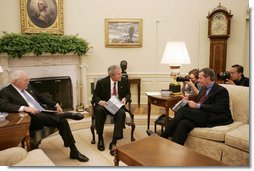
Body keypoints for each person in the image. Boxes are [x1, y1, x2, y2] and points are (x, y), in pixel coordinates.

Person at [0, 70, 89, 162]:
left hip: (44, 113)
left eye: (28, 79)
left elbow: (41, 97)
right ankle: (66, 115)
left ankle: (74, 151)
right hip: (30, 119)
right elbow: (2, 105)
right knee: (43, 116)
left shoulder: (28, 87)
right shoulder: (6, 92)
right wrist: (24, 108)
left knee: (62, 121)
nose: (28, 82)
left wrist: (55, 104)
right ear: (15, 82)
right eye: (25, 80)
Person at [147, 68, 233, 145]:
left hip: (216, 116)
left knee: (184, 111)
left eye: (200, 78)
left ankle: (163, 137)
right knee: (184, 123)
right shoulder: (203, 89)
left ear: (208, 78)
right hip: (203, 114)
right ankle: (174, 149)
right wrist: (188, 101)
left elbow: (218, 108)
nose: (198, 80)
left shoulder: (221, 90)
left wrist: (197, 106)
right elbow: (201, 101)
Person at [92, 65, 131, 155]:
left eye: (121, 73)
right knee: (99, 110)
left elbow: (128, 94)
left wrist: (125, 98)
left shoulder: (125, 81)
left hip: (117, 104)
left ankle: (114, 141)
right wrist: (100, 101)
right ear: (112, 75)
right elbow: (95, 96)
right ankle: (100, 138)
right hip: (105, 104)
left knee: (121, 113)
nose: (121, 75)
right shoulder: (101, 82)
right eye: (119, 74)